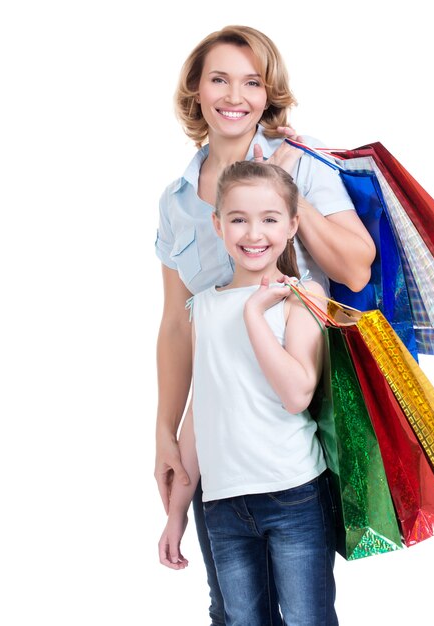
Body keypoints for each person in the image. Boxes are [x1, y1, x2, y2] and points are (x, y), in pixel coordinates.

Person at [154, 25, 375, 625]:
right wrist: (166, 433)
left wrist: (281, 187)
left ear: (269, 93)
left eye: (253, 82)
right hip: (222, 441)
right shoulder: (177, 201)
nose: (235, 95)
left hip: (294, 432)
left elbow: (355, 270)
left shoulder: (301, 162)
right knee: (231, 611)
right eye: (219, 78)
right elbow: (179, 328)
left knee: (304, 609)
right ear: (196, 91)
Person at [159, 160, 338, 625]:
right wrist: (177, 512)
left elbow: (297, 394)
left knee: (307, 619)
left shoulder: (304, 296)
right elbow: (201, 414)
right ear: (218, 225)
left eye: (270, 219)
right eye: (238, 218)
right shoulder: (202, 307)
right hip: (224, 505)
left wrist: (255, 316)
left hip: (294, 494)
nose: (253, 233)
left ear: (292, 224)